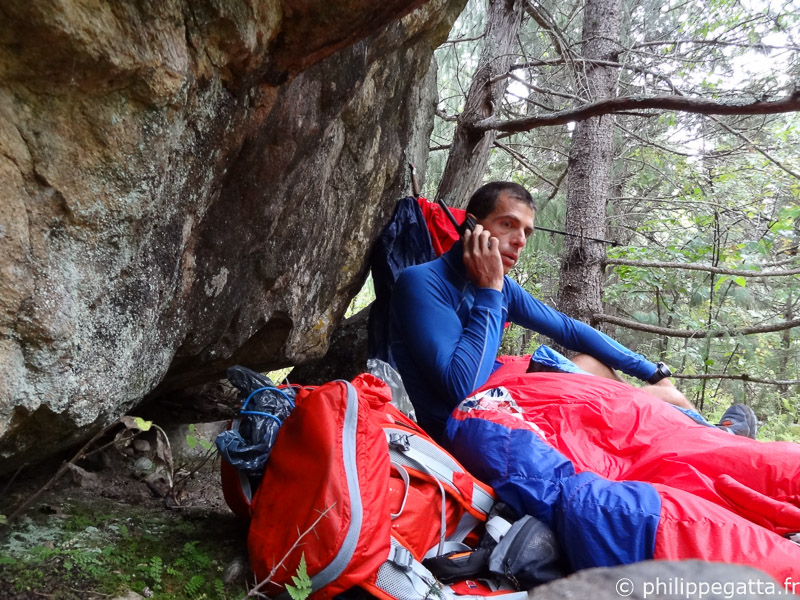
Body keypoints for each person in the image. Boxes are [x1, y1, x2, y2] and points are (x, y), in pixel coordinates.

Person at [388, 181, 751, 441]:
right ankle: (715, 438)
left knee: (593, 363)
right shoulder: (422, 283)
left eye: (527, 232)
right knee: (661, 400)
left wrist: (650, 371)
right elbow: (460, 387)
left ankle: (700, 434)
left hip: (494, 397)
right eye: (508, 224)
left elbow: (569, 329)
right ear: (471, 227)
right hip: (464, 425)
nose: (519, 240)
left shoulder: (500, 286)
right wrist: (490, 290)